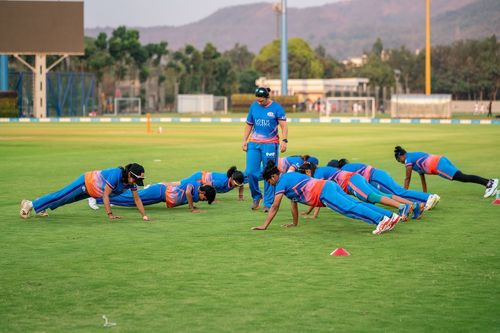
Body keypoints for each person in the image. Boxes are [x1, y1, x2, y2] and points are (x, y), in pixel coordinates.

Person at [251, 161, 401, 235]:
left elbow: (275, 206)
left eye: (269, 181)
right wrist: (294, 223)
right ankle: (389, 216)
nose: (270, 184)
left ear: (273, 176)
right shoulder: (288, 178)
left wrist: (265, 225)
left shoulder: (281, 183)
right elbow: (293, 204)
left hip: (323, 192)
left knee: (349, 208)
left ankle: (381, 221)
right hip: (328, 185)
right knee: (354, 203)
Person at [20, 163, 150, 221]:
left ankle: (42, 204)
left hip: (91, 192)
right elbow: (105, 195)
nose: (135, 182)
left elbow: (137, 198)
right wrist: (110, 214)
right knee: (61, 196)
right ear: (129, 174)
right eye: (135, 179)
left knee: (63, 201)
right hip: (85, 182)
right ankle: (29, 204)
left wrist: (144, 216)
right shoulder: (117, 174)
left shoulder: (130, 182)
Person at [298, 162, 423, 221]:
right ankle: (413, 205)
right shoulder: (321, 170)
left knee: (372, 197)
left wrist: (313, 214)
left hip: (350, 181)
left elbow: (319, 192)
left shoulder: (317, 174)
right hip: (355, 179)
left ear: (308, 172)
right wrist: (309, 212)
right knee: (382, 195)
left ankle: (402, 207)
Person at [329, 158, 440, 211]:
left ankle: (427, 198)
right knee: (396, 192)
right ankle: (418, 204)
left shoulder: (343, 171)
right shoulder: (348, 167)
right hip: (377, 176)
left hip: (375, 177)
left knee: (398, 192)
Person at [242, 87, 288, 213]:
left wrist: (284, 140)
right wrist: (244, 140)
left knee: (269, 173)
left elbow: (284, 126)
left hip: (270, 144)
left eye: (262, 100)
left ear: (267, 97)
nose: (259, 103)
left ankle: (268, 203)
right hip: (254, 143)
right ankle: (257, 197)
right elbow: (249, 124)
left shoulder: (277, 108)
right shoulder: (254, 106)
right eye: (258, 100)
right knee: (250, 172)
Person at [394, 146, 498, 198]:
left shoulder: (408, 160)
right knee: (462, 176)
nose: (401, 163)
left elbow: (407, 178)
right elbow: (422, 176)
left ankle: (489, 183)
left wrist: (404, 194)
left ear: (401, 156)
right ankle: (489, 182)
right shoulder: (413, 157)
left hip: (438, 165)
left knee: (462, 177)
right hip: (441, 159)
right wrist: (425, 195)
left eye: (399, 161)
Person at [89, 178, 216, 213]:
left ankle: (101, 200)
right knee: (132, 198)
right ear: (203, 192)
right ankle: (96, 195)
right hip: (158, 192)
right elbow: (188, 191)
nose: (202, 200)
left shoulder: (196, 192)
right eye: (204, 199)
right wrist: (192, 208)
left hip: (159, 195)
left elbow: (176, 184)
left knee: (132, 202)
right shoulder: (193, 185)